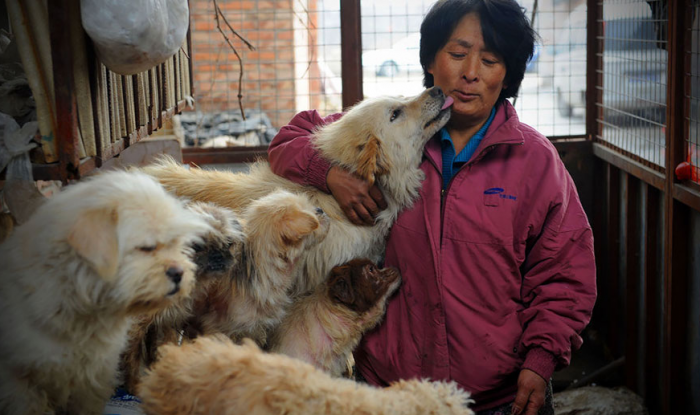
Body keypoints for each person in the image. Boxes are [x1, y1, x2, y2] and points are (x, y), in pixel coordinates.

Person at [267, 0, 597, 413]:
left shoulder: (535, 162)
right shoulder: (394, 134)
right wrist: (330, 174)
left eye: (490, 60)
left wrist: (541, 359)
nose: (470, 73)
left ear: (508, 73)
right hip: (390, 391)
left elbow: (565, 276)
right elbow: (287, 141)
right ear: (430, 59)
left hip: (498, 396)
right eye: (457, 54)